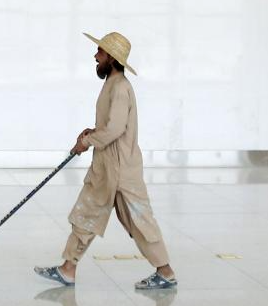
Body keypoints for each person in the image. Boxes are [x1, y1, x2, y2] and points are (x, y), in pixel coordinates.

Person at [35, 32, 177, 290]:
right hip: (106, 166)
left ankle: (165, 272)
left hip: (121, 169)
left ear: (111, 58)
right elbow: (110, 125)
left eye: (100, 52)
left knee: (139, 221)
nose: (95, 56)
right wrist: (92, 132)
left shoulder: (120, 88)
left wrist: (87, 142)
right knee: (87, 213)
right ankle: (68, 269)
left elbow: (115, 129)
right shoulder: (112, 84)